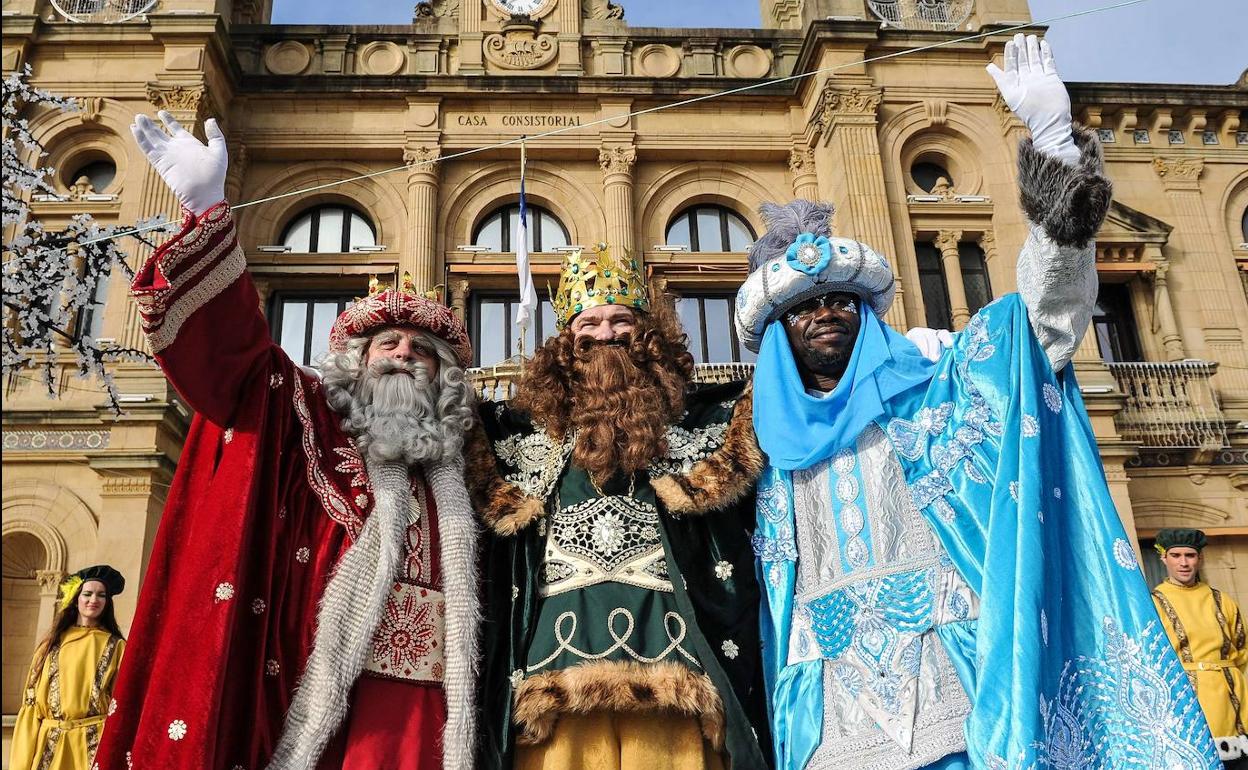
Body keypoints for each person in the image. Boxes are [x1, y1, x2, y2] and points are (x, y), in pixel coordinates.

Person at [737, 34, 1221, 769]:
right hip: (828, 724)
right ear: (778, 334)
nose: (825, 313)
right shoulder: (754, 452)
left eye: (840, 299)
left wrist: (1054, 151)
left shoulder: (935, 391)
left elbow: (1043, 326)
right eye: (803, 306)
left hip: (959, 703)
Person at [94, 112, 481, 770]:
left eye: (422, 350)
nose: (403, 356)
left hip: (433, 713)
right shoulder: (306, 415)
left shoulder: (472, 458)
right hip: (320, 700)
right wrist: (210, 214)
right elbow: (241, 359)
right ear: (357, 362)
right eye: (388, 343)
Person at [465, 245, 771, 769]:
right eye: (589, 323)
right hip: (552, 679)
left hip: (676, 673)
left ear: (646, 334)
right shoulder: (515, 435)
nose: (605, 334)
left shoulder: (704, 423)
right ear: (566, 341)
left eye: (620, 321)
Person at [11, 565, 126, 770]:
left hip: (94, 745)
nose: (94, 600)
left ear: (107, 602)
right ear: (75, 598)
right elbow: (31, 705)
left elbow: (122, 702)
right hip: (50, 745)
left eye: (101, 595)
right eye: (87, 594)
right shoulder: (50, 646)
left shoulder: (116, 646)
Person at [1153, 528, 1248, 762]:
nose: (1184, 563)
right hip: (1184, 699)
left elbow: (1241, 650)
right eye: (1176, 556)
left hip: (1232, 696)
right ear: (1164, 558)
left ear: (1200, 558)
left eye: (1190, 555)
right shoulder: (1153, 603)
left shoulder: (1222, 600)